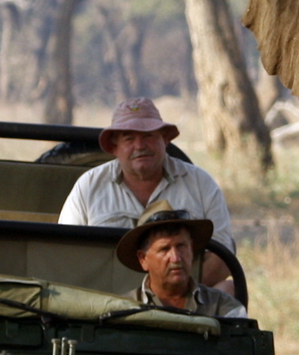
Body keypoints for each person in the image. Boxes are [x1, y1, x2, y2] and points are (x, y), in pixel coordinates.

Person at [59, 97, 236, 291]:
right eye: (129, 138)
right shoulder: (88, 186)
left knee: (229, 290)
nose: (140, 145)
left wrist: (173, 293)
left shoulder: (200, 183)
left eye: (148, 135)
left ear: (165, 139)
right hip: (108, 303)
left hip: (185, 301)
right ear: (114, 147)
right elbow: (65, 256)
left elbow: (223, 257)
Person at [116, 201, 246, 319]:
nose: (176, 258)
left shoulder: (222, 306)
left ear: (192, 250)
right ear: (143, 259)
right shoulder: (123, 310)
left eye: (181, 246)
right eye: (164, 249)